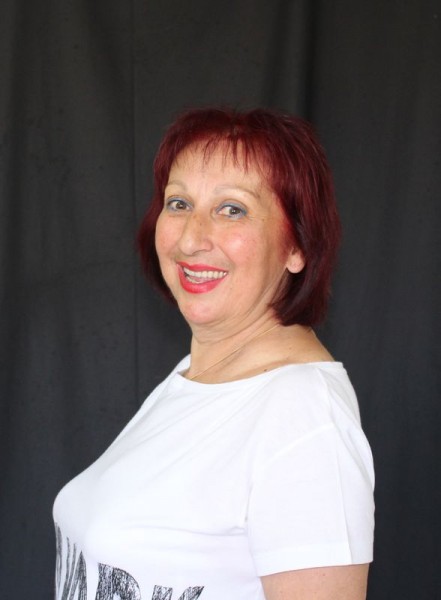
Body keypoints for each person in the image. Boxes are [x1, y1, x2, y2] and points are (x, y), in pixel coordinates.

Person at [53, 107, 375, 600]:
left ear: (298, 245)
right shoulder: (195, 376)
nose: (191, 238)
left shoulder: (305, 418)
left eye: (232, 210)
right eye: (179, 203)